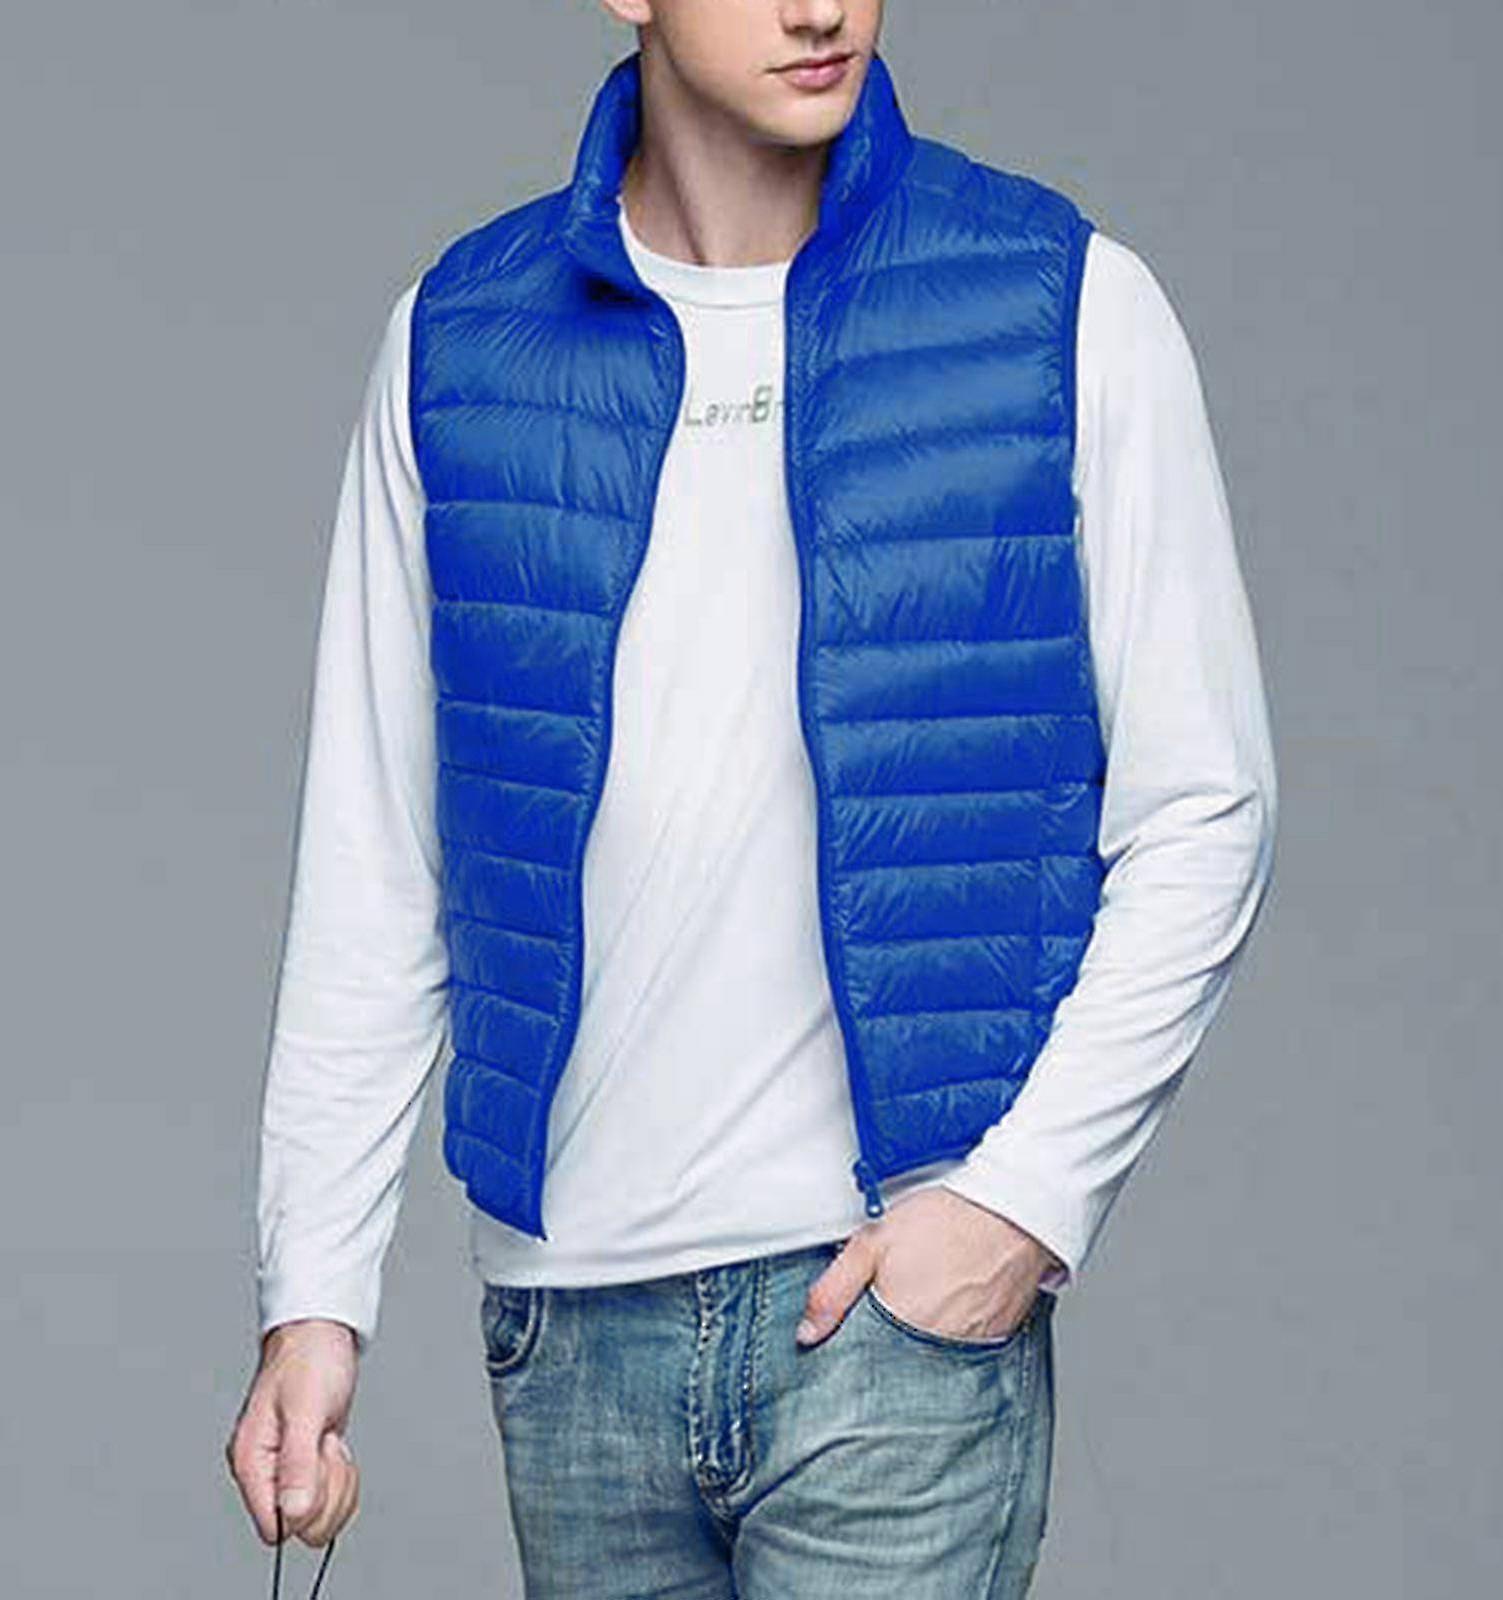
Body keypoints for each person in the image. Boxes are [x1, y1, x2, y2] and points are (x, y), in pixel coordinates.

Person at [226, 3, 1279, 1595]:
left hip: (887, 1322)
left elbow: (1205, 806)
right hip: (567, 1338)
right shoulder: (460, 342)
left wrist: (1018, 1206)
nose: (820, 7)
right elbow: (379, 866)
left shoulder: (1057, 304)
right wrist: (313, 1293)